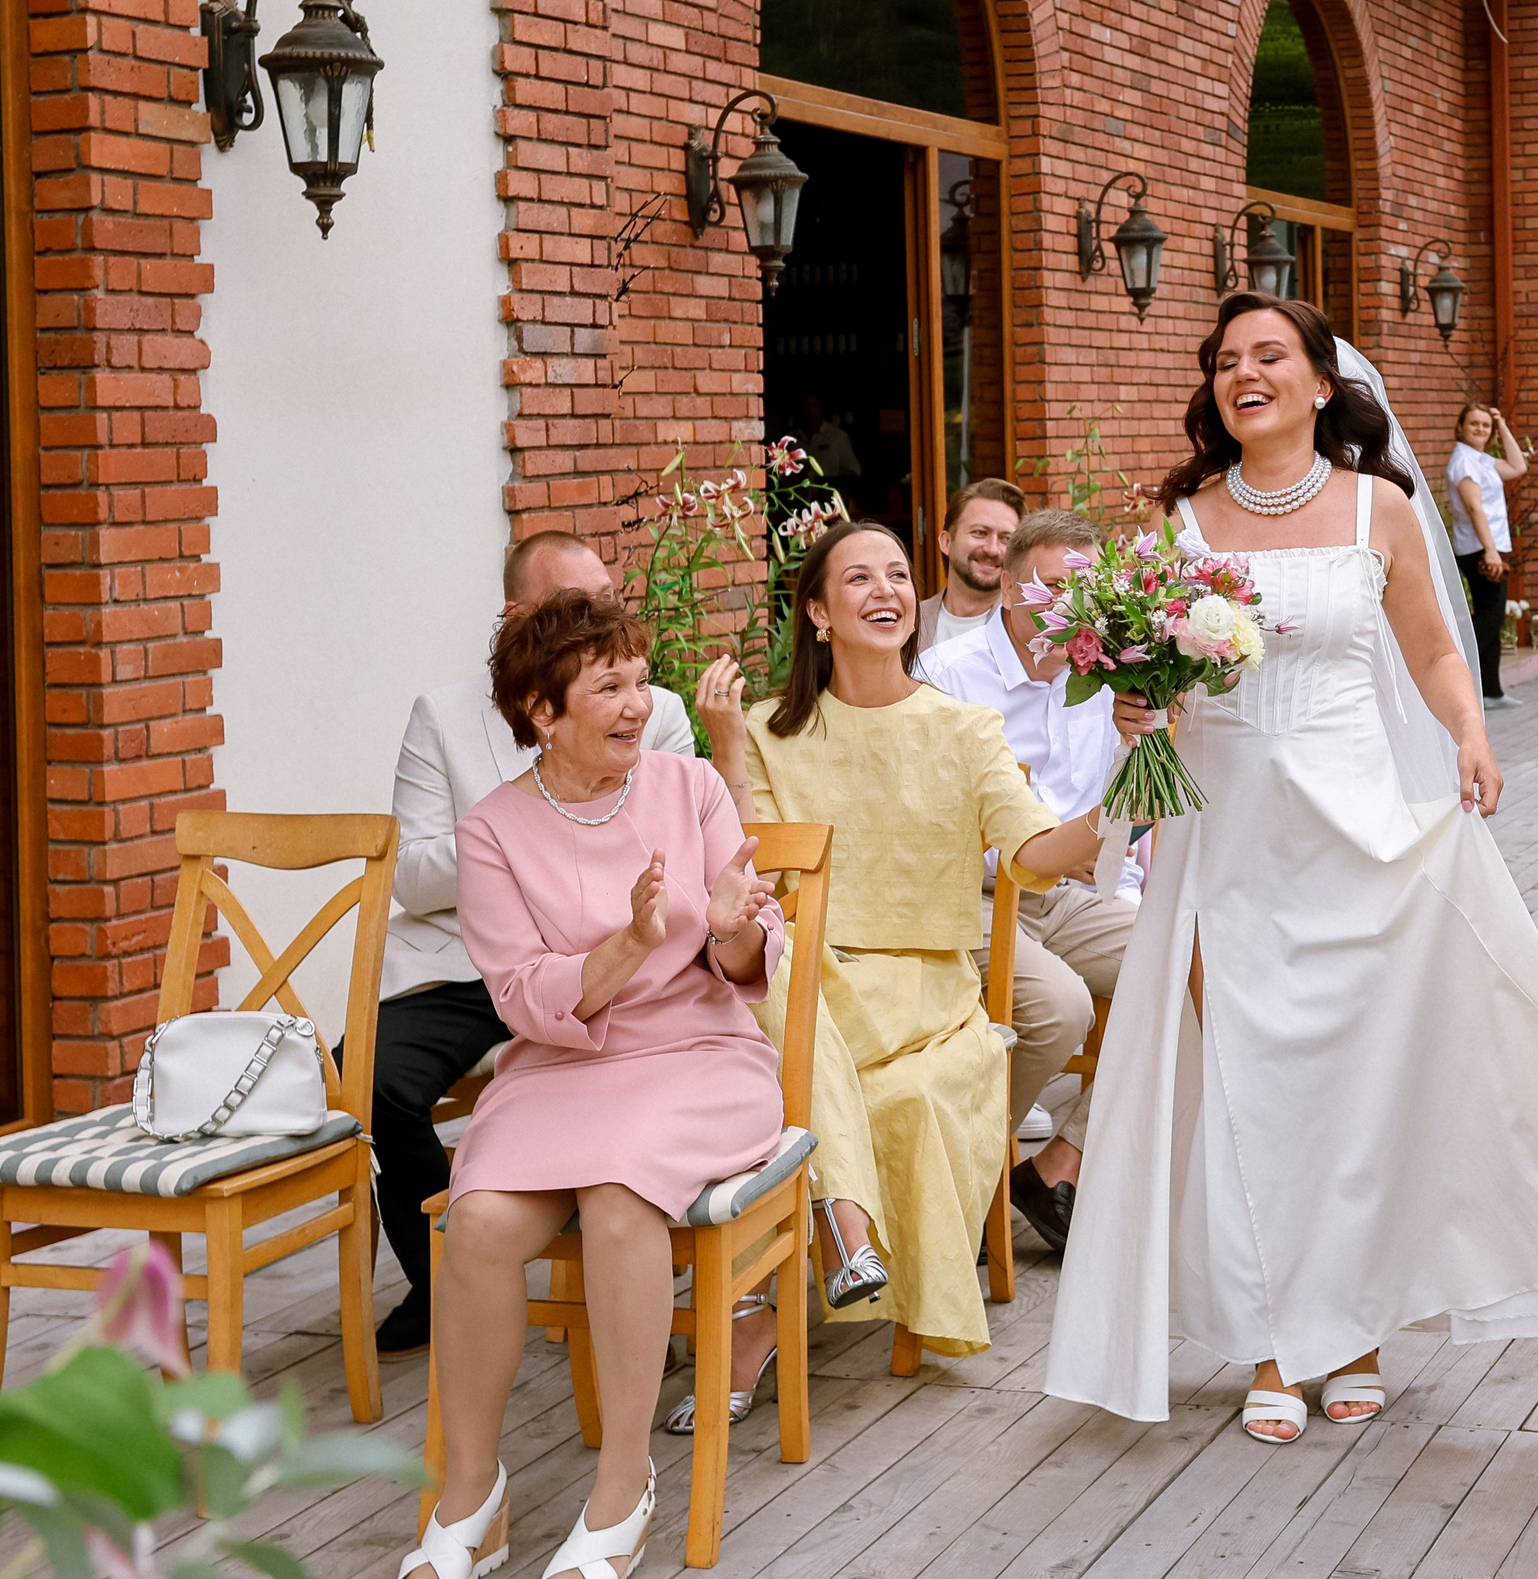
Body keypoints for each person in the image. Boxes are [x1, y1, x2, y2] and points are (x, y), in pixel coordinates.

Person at [1045, 293, 1538, 1444]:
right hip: (1227, 833)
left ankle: (1356, 1330)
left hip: (1361, 826)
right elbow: (1152, 672)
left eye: (1269, 356)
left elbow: (1427, 642)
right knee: (1249, 1087)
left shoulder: (1381, 506)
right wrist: (1135, 699)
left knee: (1359, 1088)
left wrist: (1469, 731)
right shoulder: (1184, 520)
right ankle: (1279, 1339)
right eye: (1225, 361)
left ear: (1322, 382)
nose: (1243, 373)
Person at [400, 590, 784, 1579]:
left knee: (620, 1196)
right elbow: (524, 996)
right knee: (478, 1222)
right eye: (607, 684)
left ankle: (623, 1482)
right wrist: (626, 942)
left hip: (697, 1053)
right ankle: (471, 1492)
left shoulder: (690, 784)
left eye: (638, 678)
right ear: (541, 707)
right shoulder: (492, 829)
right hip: (561, 1062)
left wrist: (733, 919)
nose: (636, 700)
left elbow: (744, 954)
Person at [686, 518, 1105, 1422]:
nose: (883, 592)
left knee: (828, 1056)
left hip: (921, 984)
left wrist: (1127, 799)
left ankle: (787, 1278)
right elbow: (739, 868)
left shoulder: (965, 727)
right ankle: (839, 1230)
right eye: (858, 579)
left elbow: (1034, 850)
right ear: (817, 612)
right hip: (801, 974)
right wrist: (722, 740)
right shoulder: (761, 727)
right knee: (792, 996)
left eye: (895, 576)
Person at [369, 532, 697, 1361]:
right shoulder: (441, 716)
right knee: (370, 1080)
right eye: (567, 606)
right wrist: (513, 832)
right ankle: (447, 1285)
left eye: (605, 602)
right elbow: (410, 874)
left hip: (610, 955)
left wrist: (556, 828)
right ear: (518, 618)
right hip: (461, 964)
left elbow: (679, 849)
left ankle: (620, 1263)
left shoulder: (650, 711)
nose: (594, 620)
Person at [914, 506, 1139, 1252]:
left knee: (1192, 964)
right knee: (1063, 1008)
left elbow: (1122, 803)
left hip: (1074, 892)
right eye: (1047, 591)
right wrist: (1044, 850)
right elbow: (934, 823)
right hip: (972, 893)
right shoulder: (949, 674)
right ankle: (962, 1173)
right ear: (1008, 589)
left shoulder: (1103, 674)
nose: (1064, 612)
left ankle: (1057, 1161)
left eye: (1081, 596)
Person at [1445, 401, 1529, 711]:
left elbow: (1518, 467)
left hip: (1491, 546)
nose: (1480, 429)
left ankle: (1491, 691)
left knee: (1491, 619)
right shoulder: (1464, 463)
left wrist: (1503, 425)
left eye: (1485, 425)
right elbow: (1474, 507)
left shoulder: (1481, 460)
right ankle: (1452, 682)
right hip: (1479, 549)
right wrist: (1491, 551)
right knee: (1490, 620)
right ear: (1461, 428)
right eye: (1474, 424)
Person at [916, 478, 1027, 649]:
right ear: (946, 542)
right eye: (980, 533)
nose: (992, 549)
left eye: (1006, 539)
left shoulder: (1027, 630)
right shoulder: (911, 623)